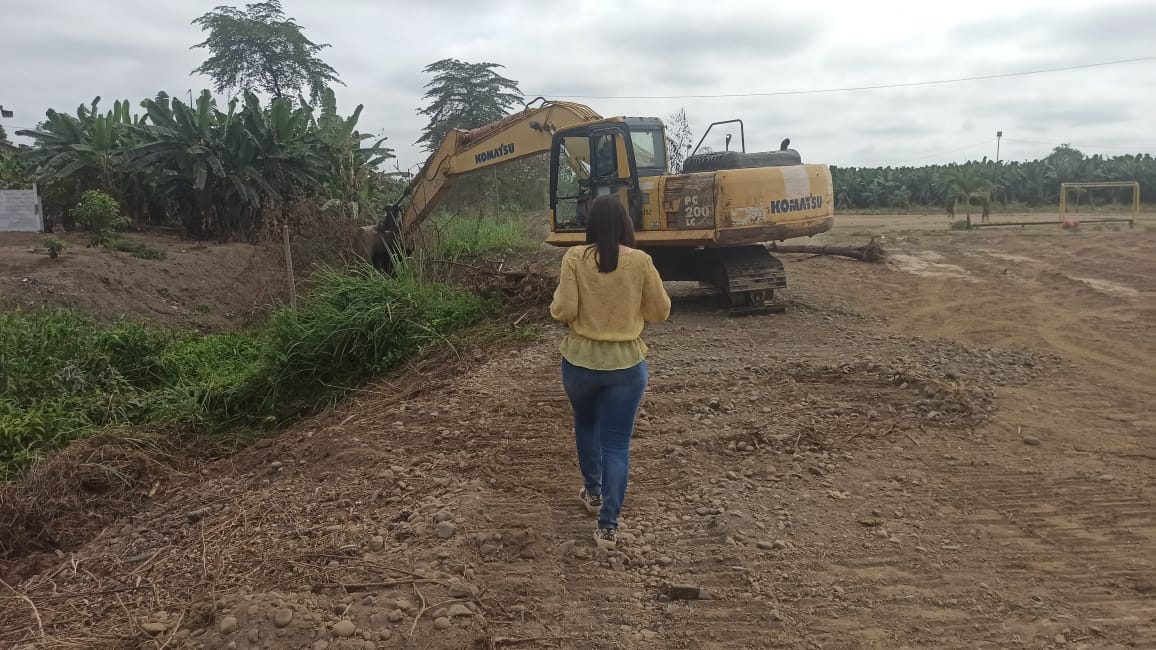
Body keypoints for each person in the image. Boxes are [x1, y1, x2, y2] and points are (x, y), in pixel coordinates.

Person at [548, 195, 672, 549]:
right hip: (627, 367)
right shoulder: (641, 261)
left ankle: (593, 492)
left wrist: (563, 308)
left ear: (590, 226)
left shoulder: (574, 257)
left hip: (580, 363)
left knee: (586, 424)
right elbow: (660, 311)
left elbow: (564, 309)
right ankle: (608, 527)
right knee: (616, 445)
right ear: (625, 225)